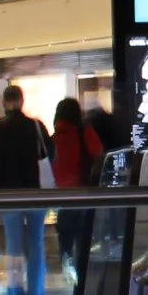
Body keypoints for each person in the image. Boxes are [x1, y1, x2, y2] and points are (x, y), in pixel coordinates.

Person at [0, 84, 51, 295]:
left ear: (4, 103)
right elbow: (51, 153)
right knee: (36, 244)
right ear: (21, 101)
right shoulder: (35, 126)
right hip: (35, 191)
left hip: (7, 193)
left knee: (13, 246)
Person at [51, 96, 104, 281]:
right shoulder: (84, 133)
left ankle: (67, 261)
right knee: (83, 236)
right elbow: (99, 155)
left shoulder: (55, 138)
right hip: (83, 193)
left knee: (65, 234)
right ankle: (82, 276)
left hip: (63, 196)